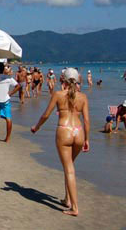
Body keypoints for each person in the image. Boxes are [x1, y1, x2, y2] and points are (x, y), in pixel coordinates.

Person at [31, 68, 90, 217]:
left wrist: (36, 127)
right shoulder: (83, 97)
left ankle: (75, 207)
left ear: (63, 79)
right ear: (77, 81)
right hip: (78, 131)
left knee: (69, 168)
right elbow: (87, 121)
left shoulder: (58, 94)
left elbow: (46, 114)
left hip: (64, 130)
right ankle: (67, 199)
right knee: (69, 165)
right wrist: (87, 139)